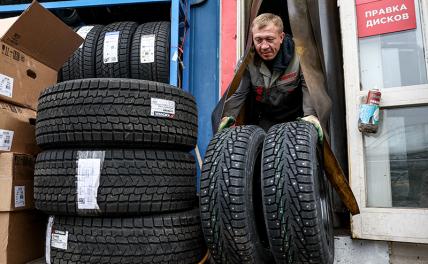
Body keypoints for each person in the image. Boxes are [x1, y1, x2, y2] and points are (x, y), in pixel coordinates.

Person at [219, 13, 325, 141]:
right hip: (266, 119)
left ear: (281, 37)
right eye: (258, 40)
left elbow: (309, 87)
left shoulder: (301, 57)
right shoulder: (247, 62)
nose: (264, 46)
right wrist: (227, 116)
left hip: (297, 118)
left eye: (269, 39)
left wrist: (311, 115)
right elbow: (239, 93)